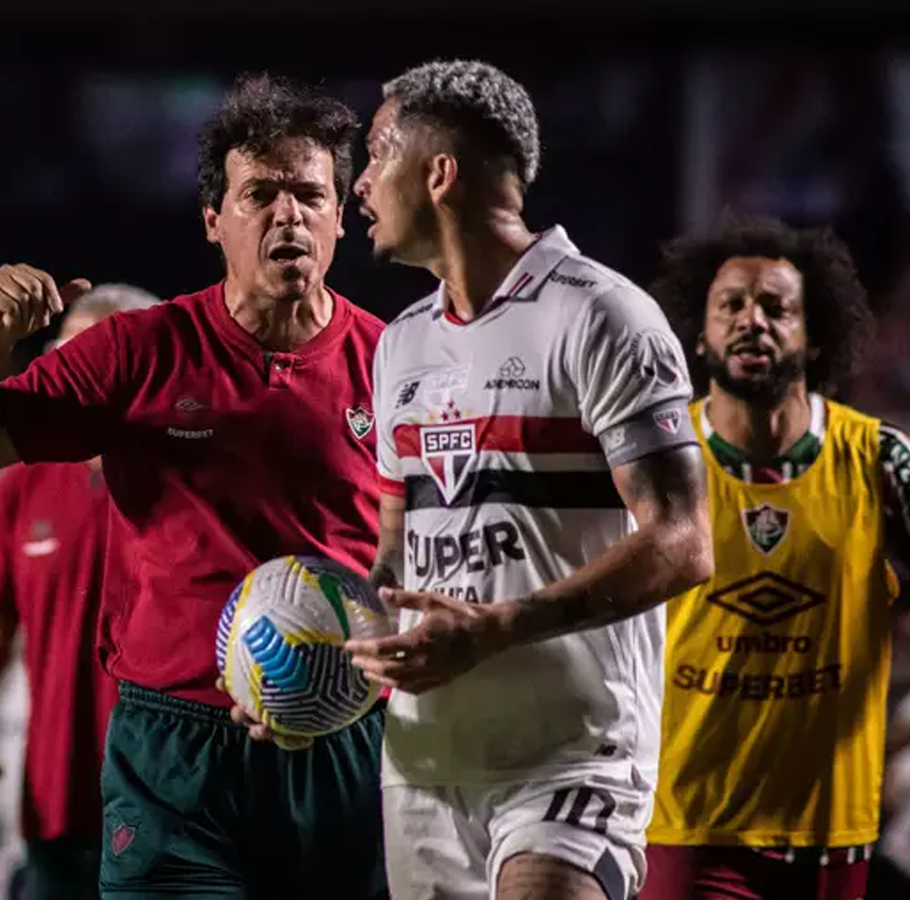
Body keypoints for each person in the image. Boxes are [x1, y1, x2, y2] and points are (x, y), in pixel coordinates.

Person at [0, 74, 388, 900]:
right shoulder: (141, 350)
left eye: (312, 194)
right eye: (262, 194)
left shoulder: (396, 363)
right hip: (176, 744)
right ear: (214, 219)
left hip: (341, 737)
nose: (290, 215)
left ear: (342, 216)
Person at [345, 59, 714, 900]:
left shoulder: (601, 314)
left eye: (373, 154)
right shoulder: (399, 344)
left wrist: (497, 626)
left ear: (438, 173)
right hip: (427, 766)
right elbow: (393, 560)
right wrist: (313, 672)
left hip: (572, 754)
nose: (359, 182)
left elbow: (683, 542)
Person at [638, 214, 910, 900]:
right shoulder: (659, 464)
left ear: (814, 336)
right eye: (730, 305)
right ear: (698, 336)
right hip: (688, 821)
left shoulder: (881, 461)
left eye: (776, 308)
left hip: (829, 826)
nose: (751, 321)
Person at [0, 285, 160, 899]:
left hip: (177, 813)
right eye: (63, 356)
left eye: (96, 357)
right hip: (55, 814)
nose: (73, 375)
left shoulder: (194, 474)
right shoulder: (23, 485)